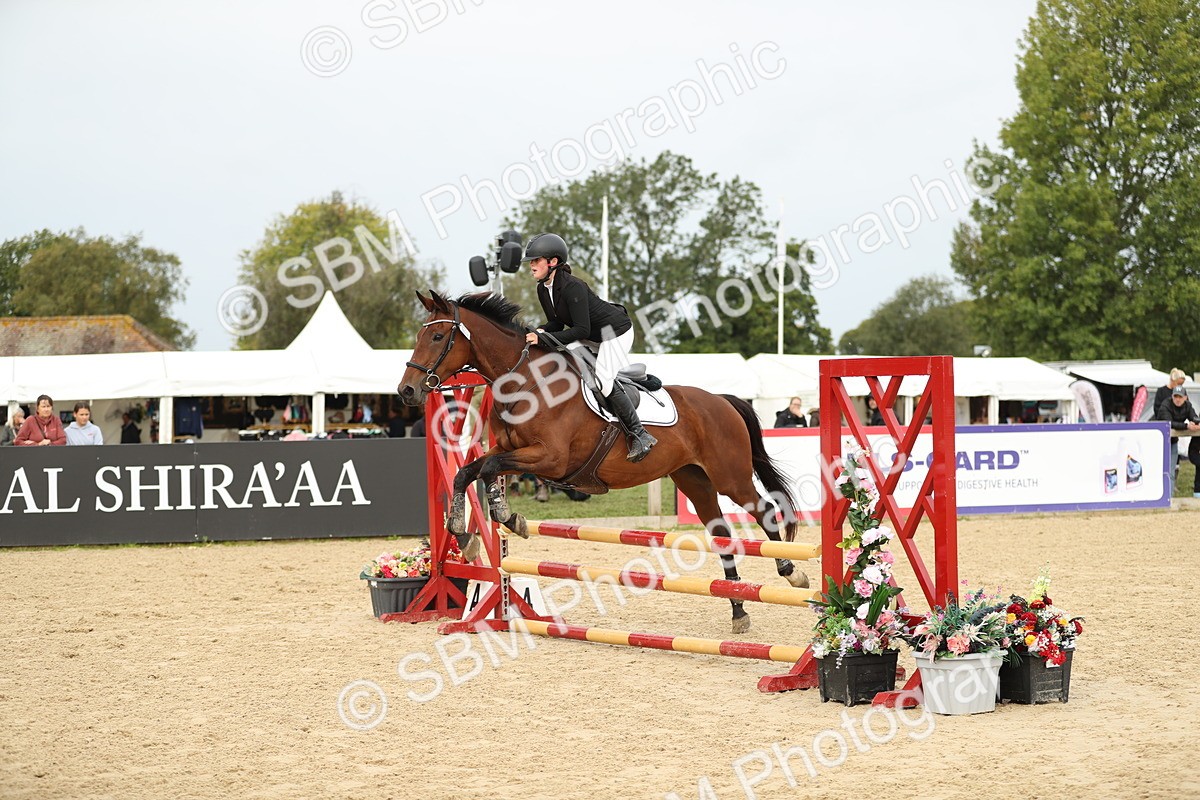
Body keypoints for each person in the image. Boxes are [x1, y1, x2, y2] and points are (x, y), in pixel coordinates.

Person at [522, 232, 656, 462]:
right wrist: (540, 331)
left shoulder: (573, 287)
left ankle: (640, 434)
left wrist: (543, 338)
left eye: (536, 260)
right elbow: (556, 323)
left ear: (553, 262)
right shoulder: (543, 288)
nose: (531, 265)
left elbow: (581, 330)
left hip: (615, 332)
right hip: (590, 334)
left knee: (603, 381)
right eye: (531, 261)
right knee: (566, 358)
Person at [1154, 386, 1200, 497]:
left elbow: (1193, 417)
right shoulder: (1165, 405)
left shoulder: (1188, 405)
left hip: (1173, 441)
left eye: (1180, 397)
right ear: (1172, 397)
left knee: (1171, 471)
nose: (1178, 399)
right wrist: (1187, 426)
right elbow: (1168, 423)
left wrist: (1196, 423)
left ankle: (1169, 498)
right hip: (1159, 442)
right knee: (1158, 470)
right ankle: (1157, 496)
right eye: (1175, 396)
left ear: (1185, 397)